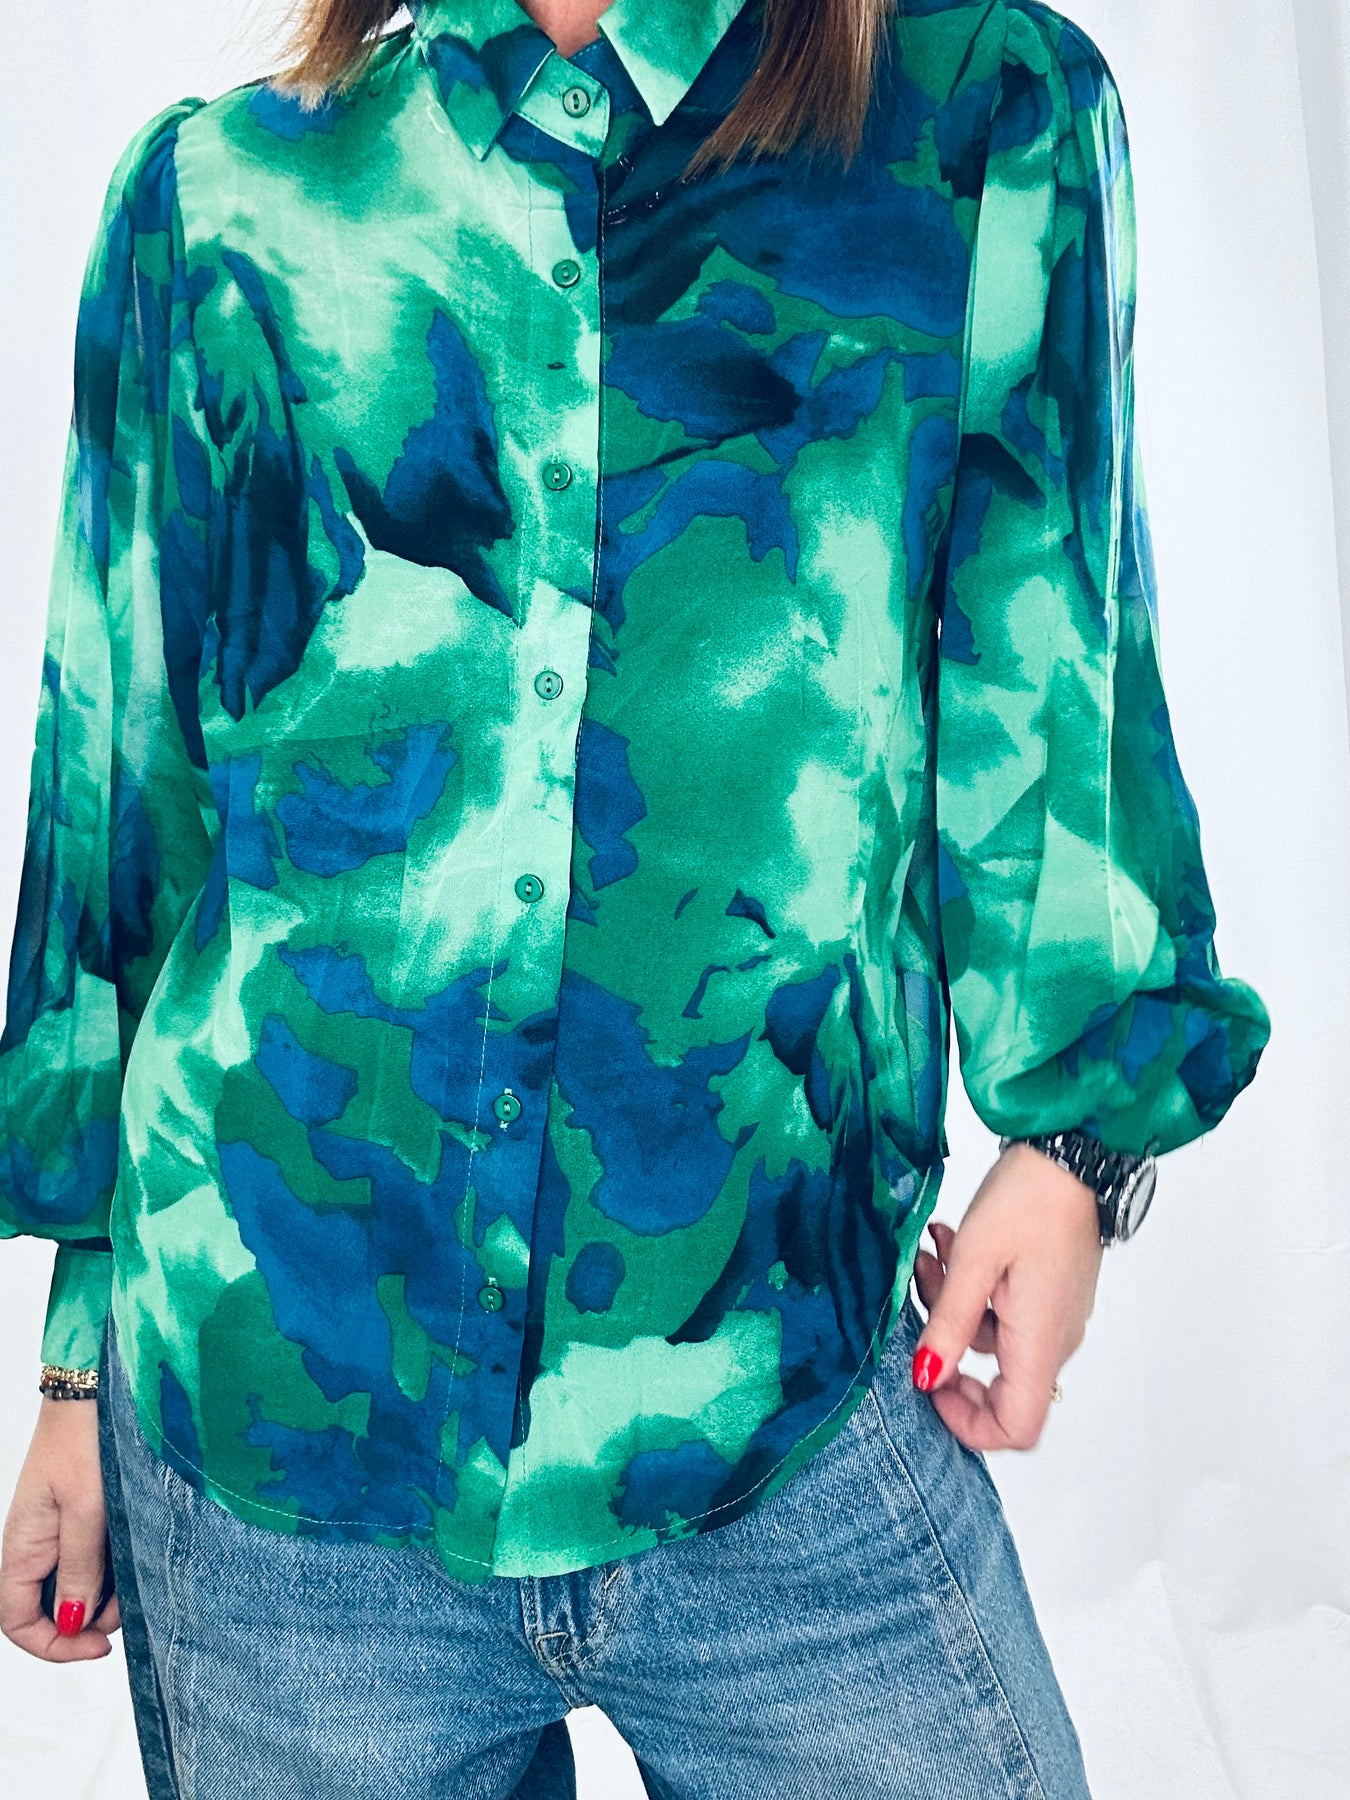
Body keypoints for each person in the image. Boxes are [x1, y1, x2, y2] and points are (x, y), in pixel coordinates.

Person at [0, 0, 1270, 1794]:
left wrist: (1075, 1150)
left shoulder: (978, 117)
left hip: (781, 1406)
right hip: (280, 1451)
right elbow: (128, 806)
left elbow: (1051, 684)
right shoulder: (216, 194)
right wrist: (73, 1370)